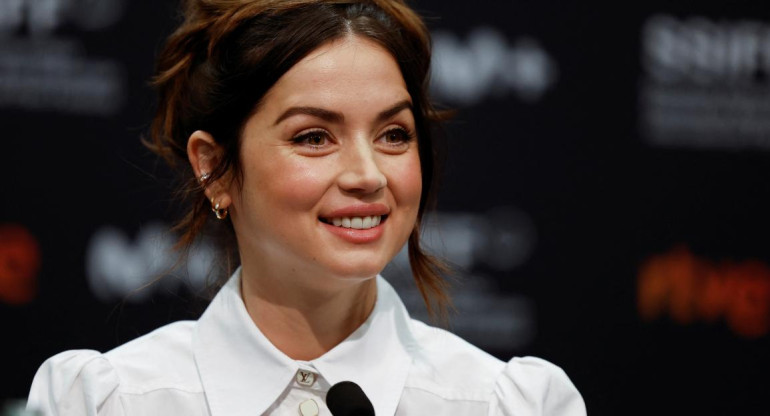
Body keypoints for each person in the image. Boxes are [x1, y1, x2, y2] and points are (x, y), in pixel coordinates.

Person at [26, 0, 587, 415]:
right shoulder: (107, 402)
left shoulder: (508, 406)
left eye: (394, 134)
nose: (368, 175)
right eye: (314, 137)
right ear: (214, 167)